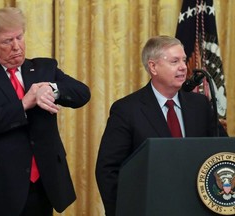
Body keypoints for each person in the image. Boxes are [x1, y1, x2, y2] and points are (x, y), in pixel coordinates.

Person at [0, 7, 90, 216]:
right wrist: (23, 104)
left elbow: (82, 94)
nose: (17, 46)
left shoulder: (44, 68)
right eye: (7, 41)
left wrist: (52, 89)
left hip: (41, 186)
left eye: (19, 37)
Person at [95, 35, 228, 216]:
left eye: (183, 60)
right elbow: (107, 170)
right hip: (150, 207)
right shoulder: (127, 110)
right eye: (174, 61)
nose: (183, 66)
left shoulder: (200, 105)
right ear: (153, 67)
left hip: (199, 206)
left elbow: (222, 153)